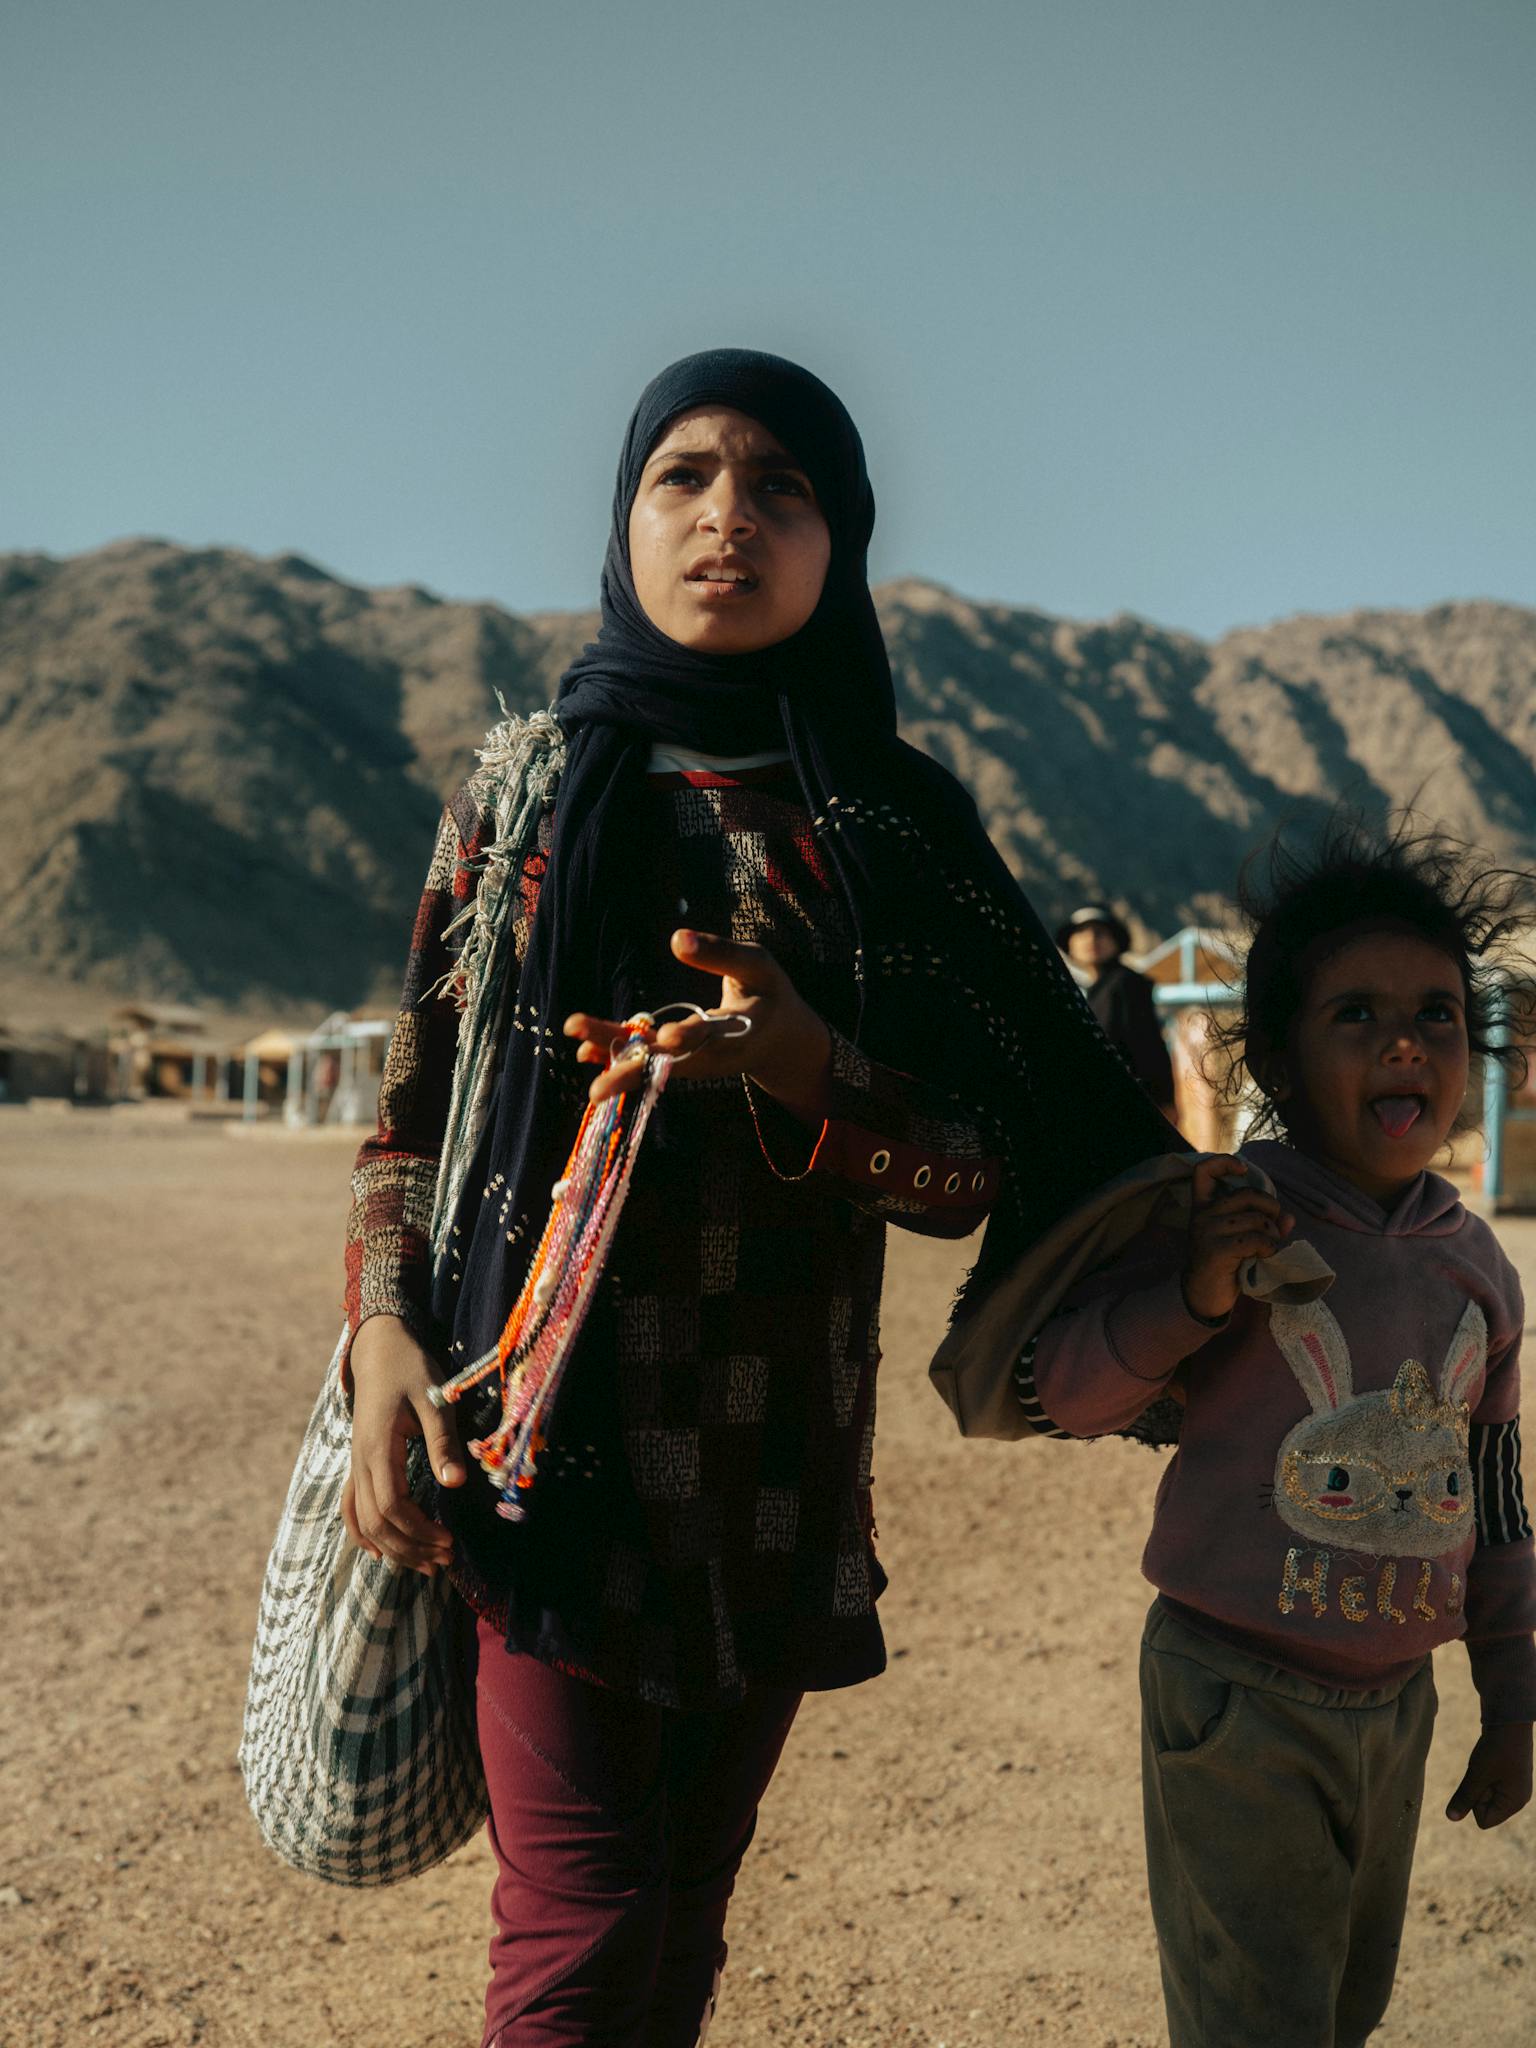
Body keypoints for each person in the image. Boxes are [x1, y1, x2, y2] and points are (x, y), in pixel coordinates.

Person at [336, 348, 1179, 2047]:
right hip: (533, 1460)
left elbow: (988, 1165)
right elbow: (406, 1131)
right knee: (575, 1935)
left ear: (839, 538)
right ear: (628, 517)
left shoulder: (894, 828)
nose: (730, 515)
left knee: (681, 1924)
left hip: (775, 1470)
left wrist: (812, 1067)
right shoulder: (516, 806)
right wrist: (376, 1343)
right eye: (687, 477)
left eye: (783, 485)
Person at [1029, 819, 1536, 2048]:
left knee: (1338, 2008)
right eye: (1355, 1013)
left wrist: (1512, 1695)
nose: (1406, 1038)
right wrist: (1190, 1299)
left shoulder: (1478, 1271)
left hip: (1397, 1703)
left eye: (1436, 1015)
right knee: (1259, 2021)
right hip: (1237, 1696)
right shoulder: (1232, 1221)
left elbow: (1496, 1492)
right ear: (1277, 1057)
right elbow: (1073, 1393)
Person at [1057, 902, 1176, 1113]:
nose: (1091, 939)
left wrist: (1163, 1101)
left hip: (1130, 1105)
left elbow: (1147, 1045)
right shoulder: (1095, 990)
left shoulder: (1126, 983)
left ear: (1116, 941)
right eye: (1082, 932)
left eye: (1100, 932)